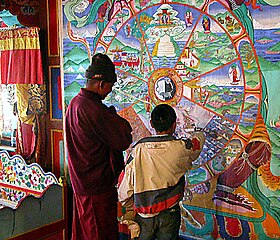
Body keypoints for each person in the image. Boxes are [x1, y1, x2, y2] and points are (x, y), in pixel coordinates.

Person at [65, 53, 133, 240]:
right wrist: (112, 114)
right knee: (99, 233)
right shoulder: (93, 109)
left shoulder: (75, 103)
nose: (110, 91)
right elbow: (123, 138)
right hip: (95, 187)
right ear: (101, 84)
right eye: (110, 86)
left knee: (85, 232)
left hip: (82, 183)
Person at [118, 104, 205, 239]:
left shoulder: (138, 150)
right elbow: (196, 144)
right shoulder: (181, 148)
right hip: (170, 213)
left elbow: (125, 187)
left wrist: (129, 206)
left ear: (151, 123)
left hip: (144, 215)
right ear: (174, 124)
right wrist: (199, 133)